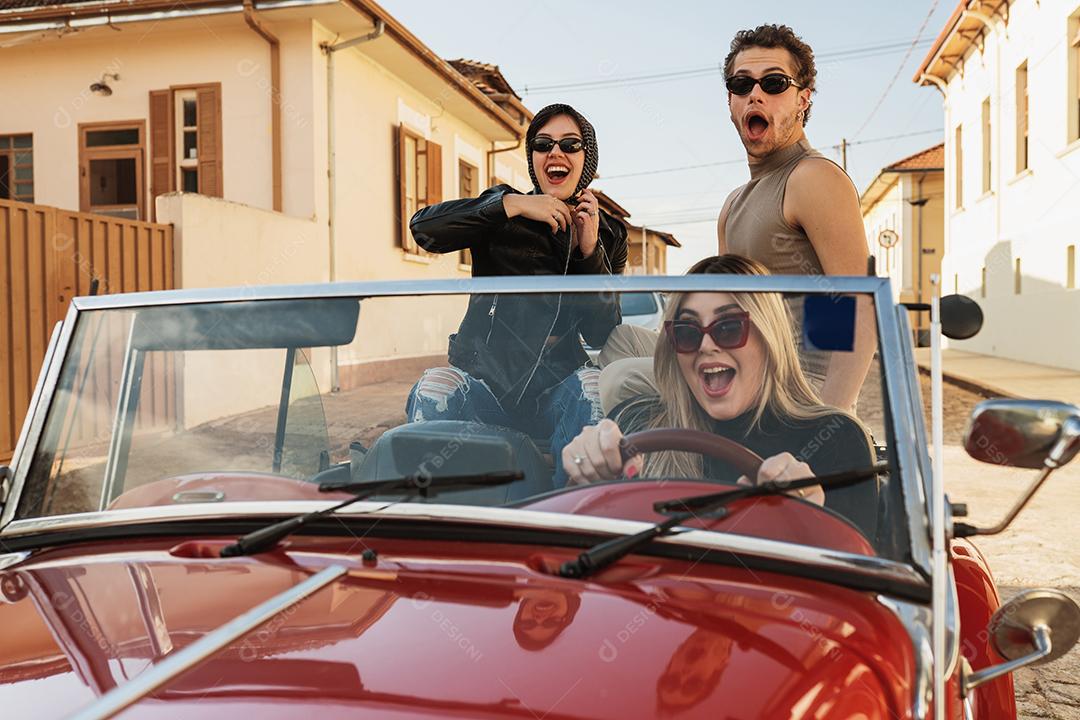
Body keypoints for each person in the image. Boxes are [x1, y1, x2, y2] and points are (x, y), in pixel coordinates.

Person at [564, 255, 877, 538]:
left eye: (728, 327)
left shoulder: (835, 439)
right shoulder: (635, 422)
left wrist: (810, 519)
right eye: (687, 331)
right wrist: (587, 473)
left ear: (769, 337)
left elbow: (858, 584)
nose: (706, 345)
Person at [406, 103, 628, 485]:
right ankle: (441, 526)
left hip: (556, 390)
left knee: (592, 387)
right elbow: (425, 230)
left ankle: (573, 518)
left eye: (570, 145)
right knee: (435, 385)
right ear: (533, 158)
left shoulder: (608, 233)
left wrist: (590, 254)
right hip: (485, 383)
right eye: (543, 144)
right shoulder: (505, 209)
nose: (555, 153)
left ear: (586, 158)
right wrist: (509, 204)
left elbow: (601, 333)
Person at [718, 24, 875, 409]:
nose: (755, 94)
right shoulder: (732, 204)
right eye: (742, 84)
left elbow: (858, 305)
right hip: (737, 379)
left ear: (803, 99)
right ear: (731, 101)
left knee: (624, 376)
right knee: (623, 347)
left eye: (774, 83)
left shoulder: (811, 177)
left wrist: (830, 421)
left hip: (797, 392)